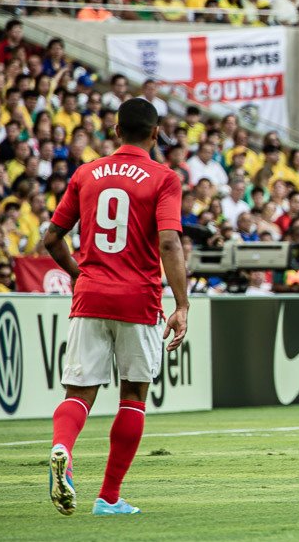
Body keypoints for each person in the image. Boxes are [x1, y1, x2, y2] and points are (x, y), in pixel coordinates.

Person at [42, 98, 189, 517]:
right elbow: (168, 242)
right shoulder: (164, 178)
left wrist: (78, 273)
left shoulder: (86, 173)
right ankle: (107, 498)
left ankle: (62, 451)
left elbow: (52, 238)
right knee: (134, 395)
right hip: (138, 299)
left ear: (116, 131)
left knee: (79, 393)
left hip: (90, 295)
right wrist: (181, 304)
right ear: (156, 133)